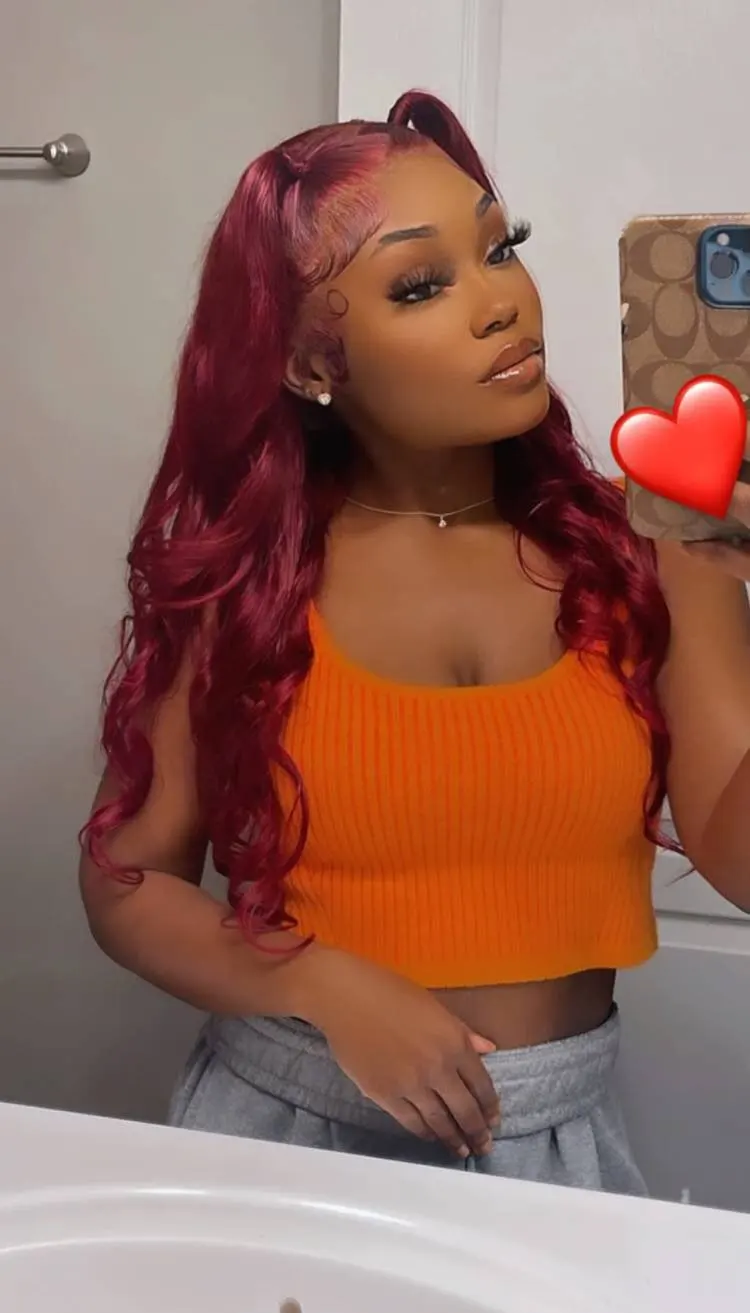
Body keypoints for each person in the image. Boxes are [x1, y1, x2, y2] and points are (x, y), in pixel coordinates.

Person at [79, 90, 750, 1195]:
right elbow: (125, 879)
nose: (501, 303)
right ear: (309, 363)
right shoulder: (249, 585)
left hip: (553, 1146)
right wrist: (318, 984)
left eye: (501, 247)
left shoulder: (656, 550)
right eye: (421, 285)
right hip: (286, 1131)